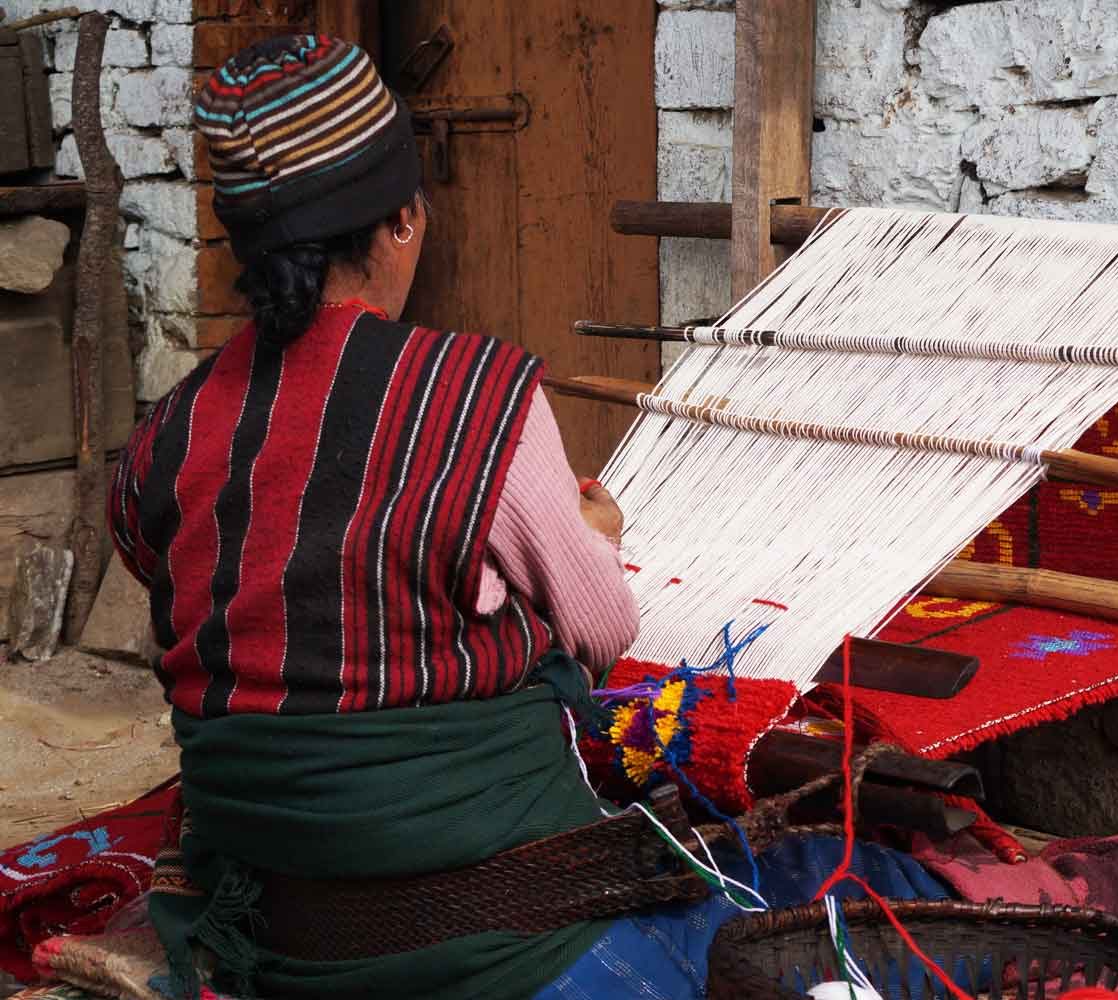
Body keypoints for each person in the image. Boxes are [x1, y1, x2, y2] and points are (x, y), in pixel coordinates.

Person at [108, 35, 943, 1000]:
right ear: (403, 220)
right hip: (504, 941)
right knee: (859, 922)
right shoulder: (475, 400)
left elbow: (222, 597)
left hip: (289, 940)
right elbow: (601, 631)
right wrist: (592, 544)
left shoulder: (163, 439)